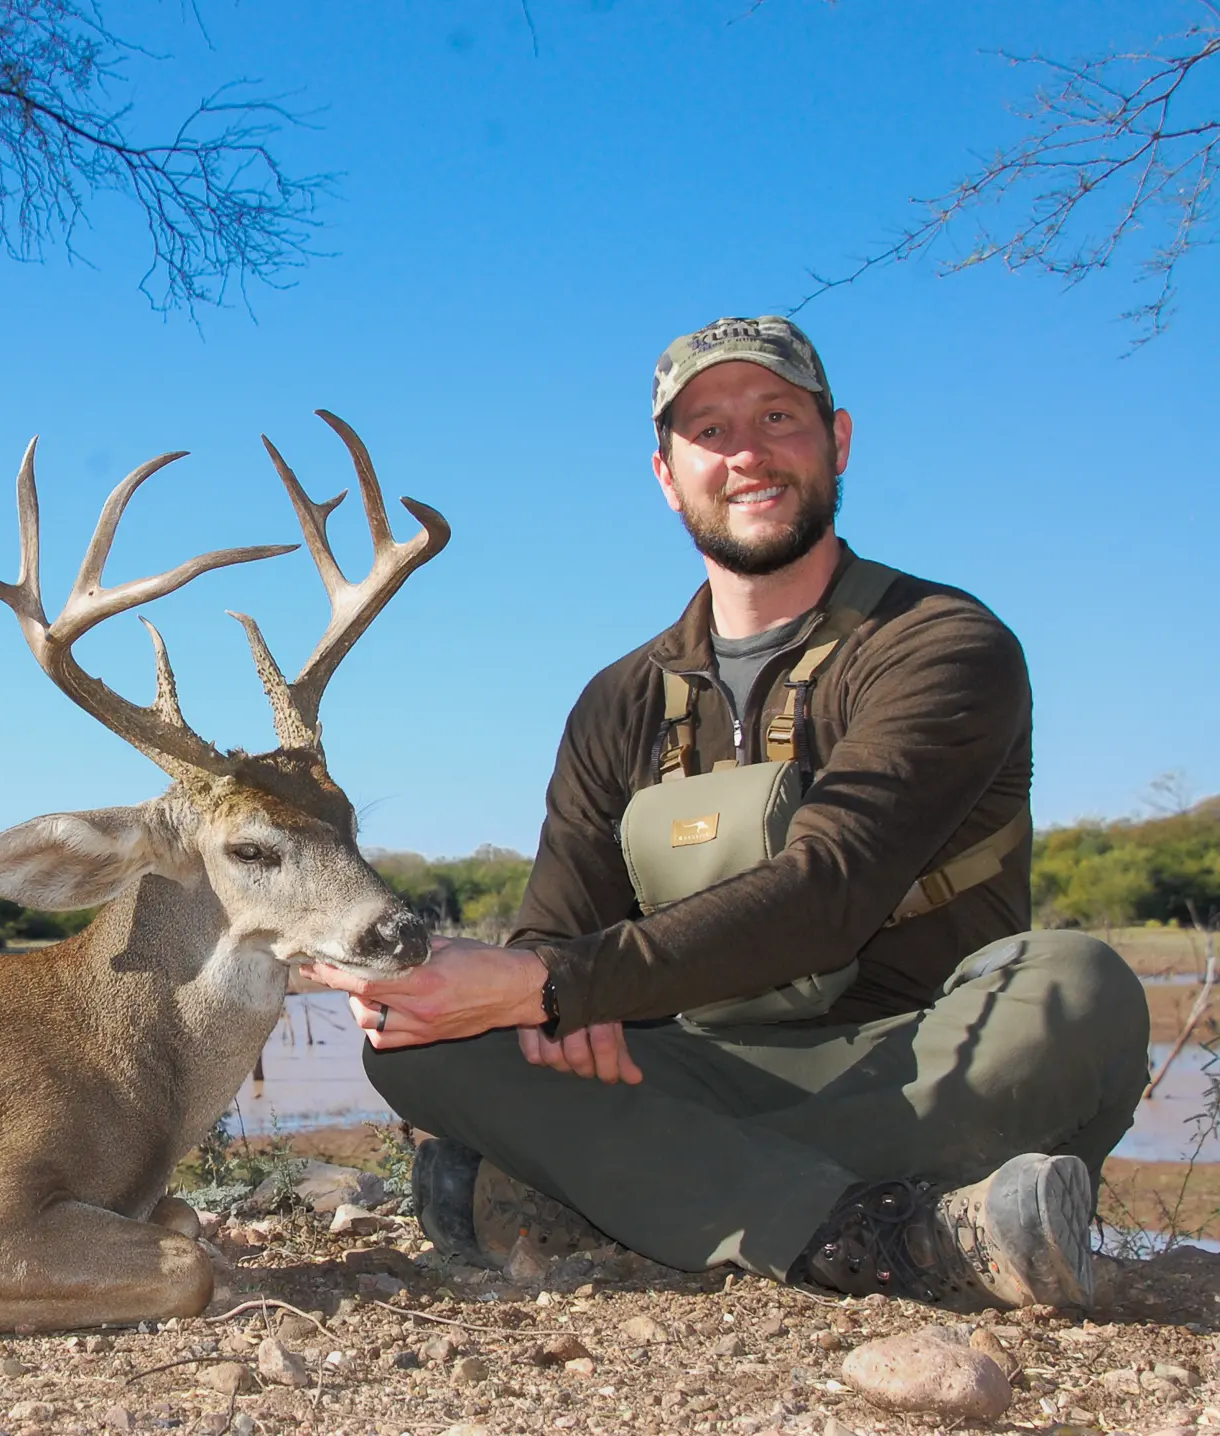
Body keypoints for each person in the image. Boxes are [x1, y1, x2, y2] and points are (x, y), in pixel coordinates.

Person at [303, 316, 1149, 1311]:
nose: (747, 452)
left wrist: (550, 986)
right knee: (422, 1039)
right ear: (667, 473)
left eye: (778, 416)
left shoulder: (942, 644)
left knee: (1076, 985)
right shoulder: (618, 699)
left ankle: (614, 1189)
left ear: (836, 440)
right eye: (709, 431)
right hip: (700, 1071)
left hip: (922, 1056)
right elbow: (554, 928)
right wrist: (470, 988)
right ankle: (881, 1233)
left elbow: (827, 890)